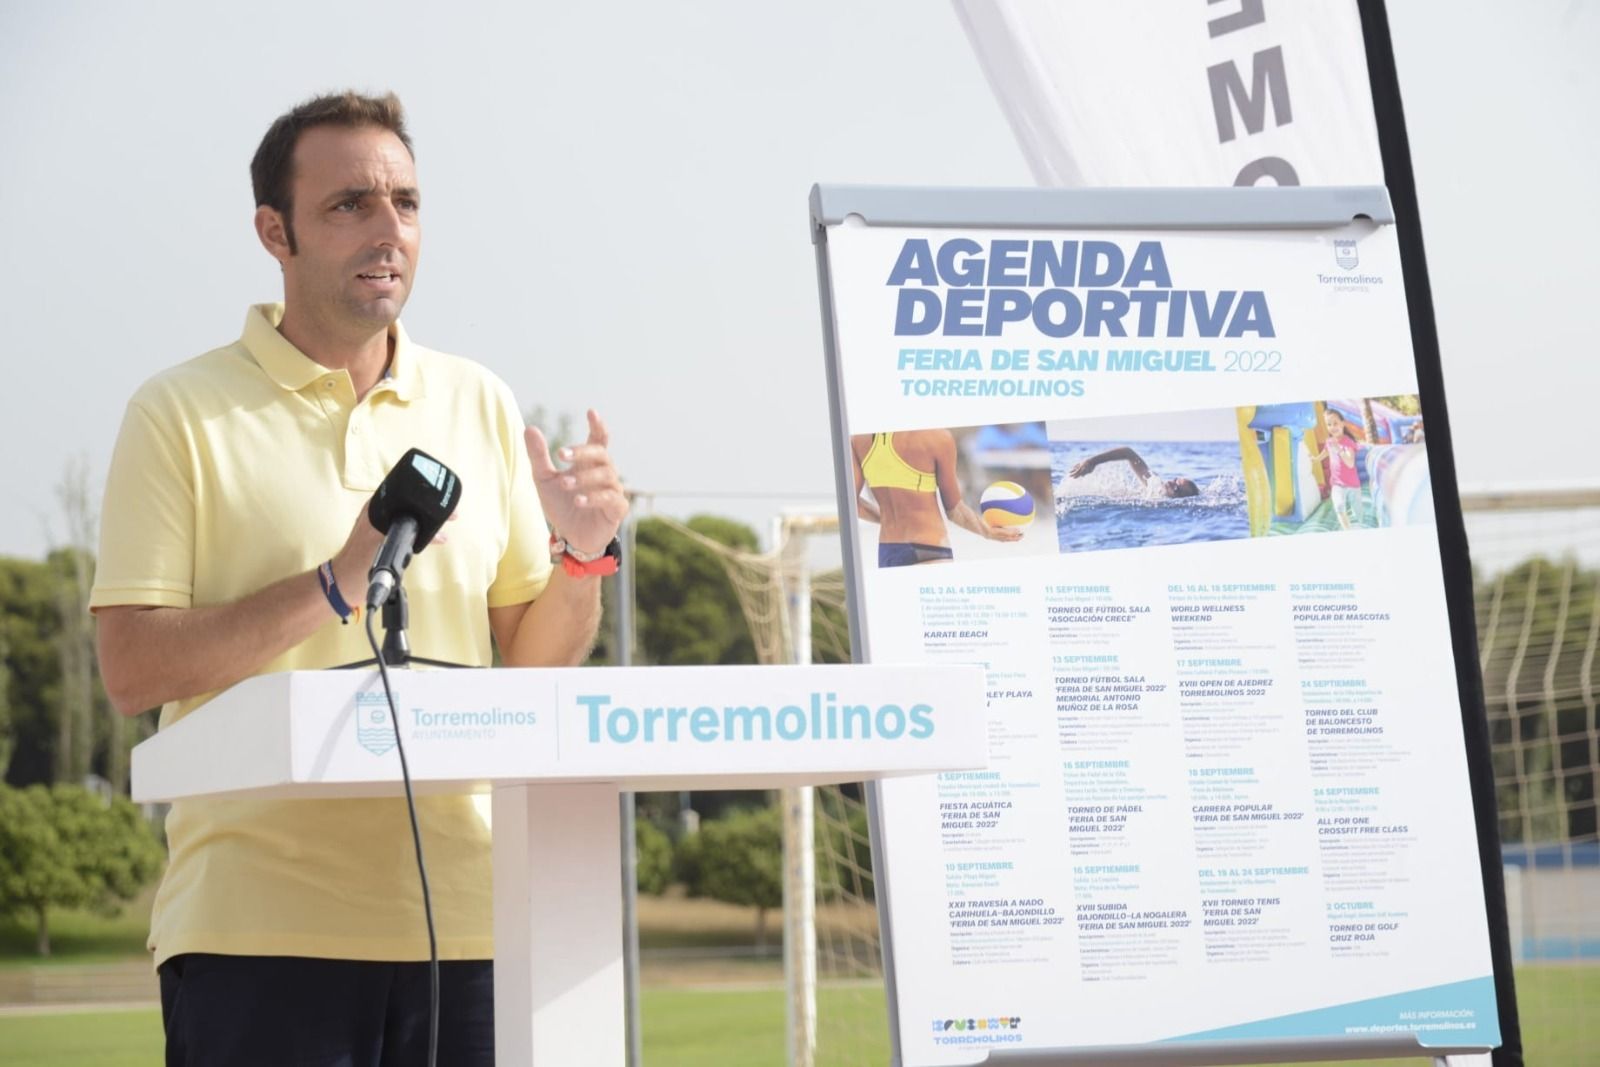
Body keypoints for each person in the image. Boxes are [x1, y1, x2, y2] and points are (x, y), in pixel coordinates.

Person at [90, 91, 627, 1066]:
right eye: (349, 205)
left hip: (468, 929)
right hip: (255, 934)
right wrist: (332, 583)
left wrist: (583, 557)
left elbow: (531, 659)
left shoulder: (479, 399)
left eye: (406, 203)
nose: (389, 230)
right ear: (275, 231)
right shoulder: (178, 411)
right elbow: (131, 667)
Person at [851, 429, 1023, 566]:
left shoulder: (859, 439)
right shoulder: (937, 437)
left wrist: (891, 518)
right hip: (929, 546)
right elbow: (955, 511)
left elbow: (851, 504)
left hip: (888, 550)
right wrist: (988, 532)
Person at [1067, 446, 1199, 498]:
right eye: (1176, 480)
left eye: (1177, 489)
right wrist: (1092, 461)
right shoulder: (1154, 485)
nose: (1171, 483)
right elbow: (1128, 453)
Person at [1315, 408, 1363, 530]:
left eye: (1335, 423)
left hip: (1352, 485)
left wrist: (1340, 450)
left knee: (1358, 513)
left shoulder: (1347, 442)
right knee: (1339, 506)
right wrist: (1316, 459)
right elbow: (1326, 451)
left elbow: (1350, 463)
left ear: (1343, 423)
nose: (1332, 427)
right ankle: (1348, 530)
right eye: (1329, 424)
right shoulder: (1329, 441)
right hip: (1337, 483)